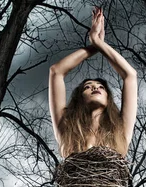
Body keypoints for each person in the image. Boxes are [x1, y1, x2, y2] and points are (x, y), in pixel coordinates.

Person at [48, 7, 137, 158]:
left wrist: (98, 42)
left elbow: (130, 75)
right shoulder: (67, 130)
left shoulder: (120, 131)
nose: (95, 87)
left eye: (101, 87)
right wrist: (93, 47)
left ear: (109, 98)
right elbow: (56, 72)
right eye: (87, 87)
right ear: (79, 98)